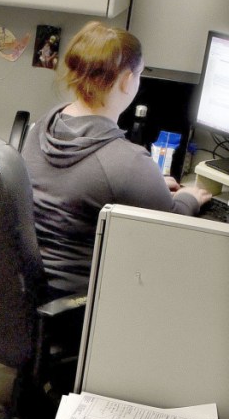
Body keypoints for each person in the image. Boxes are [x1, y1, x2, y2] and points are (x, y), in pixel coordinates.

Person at [22, 21, 212, 298]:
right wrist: (191, 197)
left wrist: (150, 183)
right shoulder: (127, 162)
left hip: (29, 289)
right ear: (126, 80)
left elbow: (94, 180)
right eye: (139, 73)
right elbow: (171, 222)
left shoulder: (43, 126)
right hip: (79, 305)